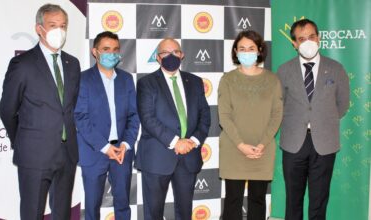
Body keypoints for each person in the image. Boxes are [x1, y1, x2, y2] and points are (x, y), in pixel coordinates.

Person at [0, 4, 81, 220]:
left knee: (61, 214)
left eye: (63, 26)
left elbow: (71, 107)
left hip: (67, 155)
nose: (59, 31)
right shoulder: (22, 64)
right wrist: (23, 141)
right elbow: (8, 110)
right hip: (34, 156)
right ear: (39, 28)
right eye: (53, 25)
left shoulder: (73, 64)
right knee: (32, 213)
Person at [277, 19, 350, 220]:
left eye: (311, 37)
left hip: (324, 143)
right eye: (301, 39)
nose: (307, 42)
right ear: (294, 43)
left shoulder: (336, 68)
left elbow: (342, 104)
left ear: (319, 38)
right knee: (293, 199)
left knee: (319, 199)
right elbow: (278, 104)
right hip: (293, 143)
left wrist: (322, 120)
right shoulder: (284, 70)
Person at [135, 38, 211, 220]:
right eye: (165, 53)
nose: (171, 56)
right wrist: (176, 142)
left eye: (175, 52)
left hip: (189, 156)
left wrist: (193, 141)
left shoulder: (195, 81)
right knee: (153, 213)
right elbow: (147, 119)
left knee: (185, 213)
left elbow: (205, 117)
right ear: (158, 58)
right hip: (157, 157)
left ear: (182, 55)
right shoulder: (147, 83)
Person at [74, 31, 139, 220]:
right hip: (94, 152)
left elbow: (134, 116)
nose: (112, 53)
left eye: (115, 49)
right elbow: (80, 116)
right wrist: (104, 147)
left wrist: (126, 145)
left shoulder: (126, 79)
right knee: (92, 207)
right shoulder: (83, 79)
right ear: (95, 52)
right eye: (106, 49)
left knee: (123, 204)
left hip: (122, 152)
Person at [218, 30, 283, 220]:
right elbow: (224, 116)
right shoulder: (227, 80)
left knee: (258, 199)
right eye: (242, 48)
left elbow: (277, 114)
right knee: (233, 200)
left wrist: (262, 144)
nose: (247, 52)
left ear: (260, 50)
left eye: (251, 48)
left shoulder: (272, 80)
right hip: (233, 148)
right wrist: (241, 145)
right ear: (236, 52)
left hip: (262, 150)